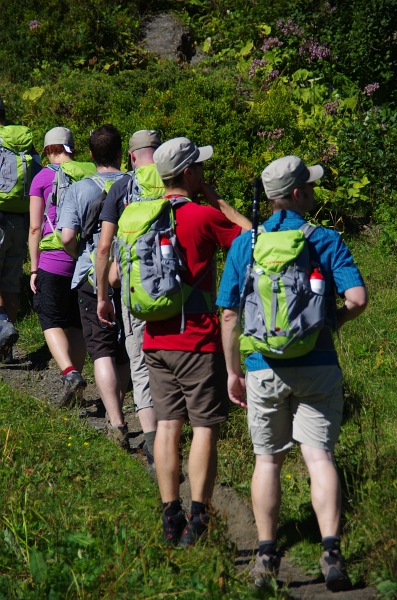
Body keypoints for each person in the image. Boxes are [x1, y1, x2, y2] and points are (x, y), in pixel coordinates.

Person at [217, 155, 368, 591]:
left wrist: (232, 371)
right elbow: (357, 298)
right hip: (318, 364)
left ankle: (266, 556)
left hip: (262, 366)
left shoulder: (246, 243)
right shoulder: (324, 239)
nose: (314, 191)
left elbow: (228, 316)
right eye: (311, 186)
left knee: (268, 460)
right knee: (319, 456)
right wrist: (329, 325)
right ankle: (331, 551)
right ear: (298, 194)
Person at [141, 137, 251, 546]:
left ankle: (170, 516)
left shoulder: (143, 215)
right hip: (199, 339)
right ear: (189, 173)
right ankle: (199, 516)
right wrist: (214, 198)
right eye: (200, 168)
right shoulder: (205, 216)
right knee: (204, 426)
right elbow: (254, 238)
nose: (204, 172)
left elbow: (117, 276)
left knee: (168, 424)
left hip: (154, 338)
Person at [57, 124, 130, 448]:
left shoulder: (80, 189)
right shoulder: (134, 184)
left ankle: (116, 422)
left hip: (92, 274)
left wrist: (80, 257)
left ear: (90, 155)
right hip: (132, 274)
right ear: (120, 152)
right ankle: (135, 402)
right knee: (128, 348)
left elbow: (67, 236)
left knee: (100, 350)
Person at [96, 129, 165, 465]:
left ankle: (154, 447)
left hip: (135, 291)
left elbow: (105, 246)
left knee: (139, 364)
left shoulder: (123, 187)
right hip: (177, 290)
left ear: (133, 156)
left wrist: (103, 294)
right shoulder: (176, 179)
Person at [29, 127, 90, 405]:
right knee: (76, 323)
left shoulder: (41, 177)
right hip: (84, 260)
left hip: (53, 262)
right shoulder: (88, 174)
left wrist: (33, 267)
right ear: (70, 148)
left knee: (50, 319)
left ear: (49, 150)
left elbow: (34, 227)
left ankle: (69, 373)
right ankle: (73, 386)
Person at [0, 96, 40, 361]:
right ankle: (6, 351)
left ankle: (2, 326)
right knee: (11, 284)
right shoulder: (24, 140)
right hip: (21, 220)